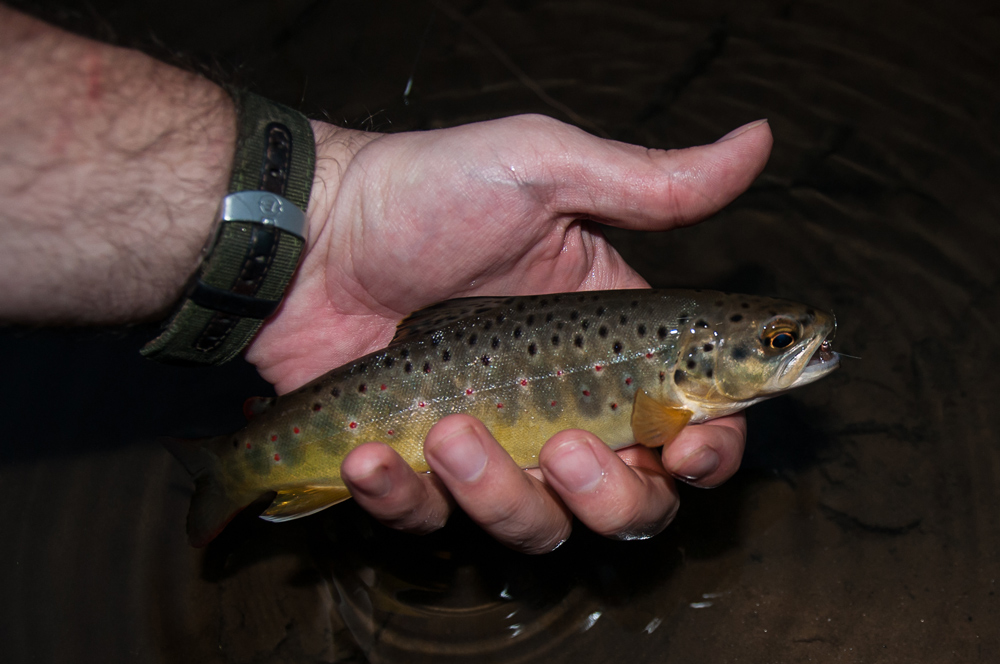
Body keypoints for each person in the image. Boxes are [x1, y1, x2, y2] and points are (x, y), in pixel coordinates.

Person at [0, 6, 771, 553]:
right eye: (776, 341)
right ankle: (234, 465)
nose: (796, 346)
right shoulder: (665, 403)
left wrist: (321, 214)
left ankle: (241, 459)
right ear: (696, 362)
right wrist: (326, 216)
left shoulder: (674, 401)